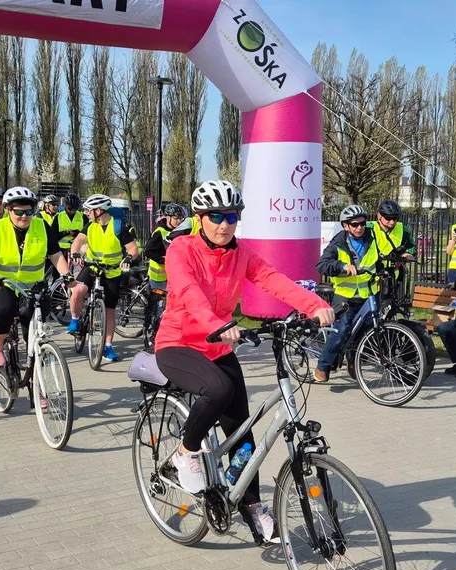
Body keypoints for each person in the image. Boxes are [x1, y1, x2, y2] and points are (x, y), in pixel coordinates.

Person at [154, 179, 335, 544]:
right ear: (199, 218)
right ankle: (186, 452)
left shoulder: (242, 254)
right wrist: (217, 324)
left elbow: (273, 280)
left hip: (219, 347)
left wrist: (313, 305)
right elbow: (188, 291)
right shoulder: (181, 249)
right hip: (178, 344)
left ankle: (252, 506)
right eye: (216, 216)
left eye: (232, 217)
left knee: (242, 431)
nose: (225, 224)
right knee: (218, 390)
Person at [0, 187, 71, 368]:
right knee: (4, 309)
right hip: (2, 283)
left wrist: (67, 277)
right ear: (8, 210)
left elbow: (56, 255)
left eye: (28, 212)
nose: (24, 216)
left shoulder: (41, 226)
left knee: (34, 328)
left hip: (34, 286)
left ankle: (36, 376)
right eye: (19, 212)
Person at [66, 194, 138, 362]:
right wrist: (75, 253)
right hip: (92, 267)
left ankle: (108, 346)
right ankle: (75, 320)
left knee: (110, 311)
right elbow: (78, 241)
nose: (86, 213)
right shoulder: (90, 226)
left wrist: (129, 258)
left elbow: (133, 248)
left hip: (112, 272)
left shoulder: (119, 227)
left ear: (98, 211)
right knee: (78, 290)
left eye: (89, 210)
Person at [313, 204, 378, 383]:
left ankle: (353, 363)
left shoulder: (373, 239)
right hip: (345, 296)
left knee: (363, 332)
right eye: (355, 224)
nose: (359, 228)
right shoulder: (338, 243)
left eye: (362, 224)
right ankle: (322, 366)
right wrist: (342, 266)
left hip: (367, 294)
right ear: (346, 226)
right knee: (340, 331)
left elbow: (379, 259)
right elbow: (322, 265)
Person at [142, 203, 188, 346]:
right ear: (168, 218)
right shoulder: (160, 232)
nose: (178, 221)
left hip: (172, 277)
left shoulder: (180, 232)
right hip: (158, 277)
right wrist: (165, 260)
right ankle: (151, 333)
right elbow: (148, 251)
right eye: (176, 218)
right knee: (157, 307)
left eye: (180, 218)